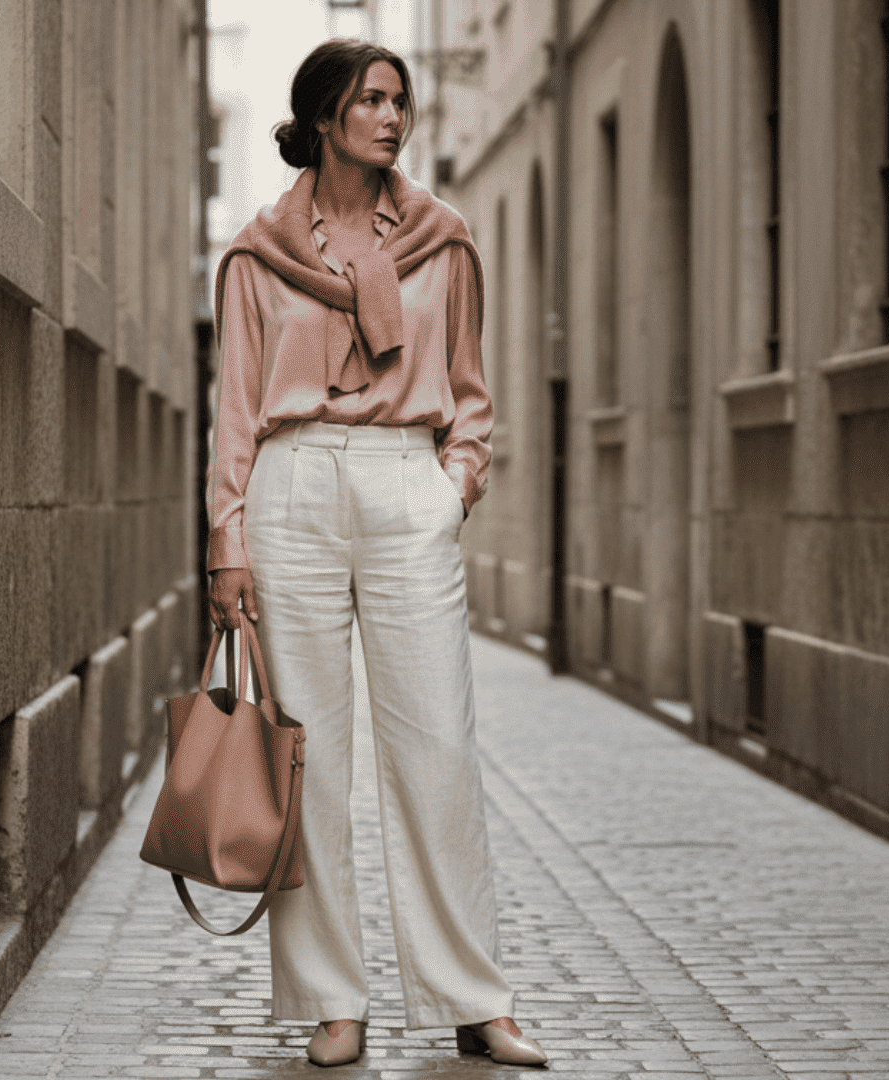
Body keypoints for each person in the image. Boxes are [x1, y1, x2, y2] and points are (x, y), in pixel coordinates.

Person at [205, 38, 546, 1070]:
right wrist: (228, 540)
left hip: (407, 486)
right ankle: (331, 1002)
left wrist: (451, 492)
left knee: (437, 745)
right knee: (306, 755)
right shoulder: (258, 255)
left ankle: (473, 998)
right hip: (292, 486)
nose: (393, 118)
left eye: (401, 101)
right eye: (371, 101)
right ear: (322, 118)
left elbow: (473, 394)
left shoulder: (443, 242)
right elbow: (232, 413)